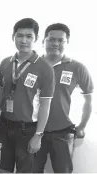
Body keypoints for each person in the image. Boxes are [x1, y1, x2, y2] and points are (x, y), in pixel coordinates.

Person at [0, 18, 55, 173]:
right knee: (3, 168)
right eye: (19, 35)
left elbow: (46, 105)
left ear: (36, 39)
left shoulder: (45, 68)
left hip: (28, 130)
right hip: (4, 126)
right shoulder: (5, 63)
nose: (23, 40)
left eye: (29, 36)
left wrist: (38, 136)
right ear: (13, 37)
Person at [33, 23, 94, 173]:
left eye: (61, 40)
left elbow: (88, 100)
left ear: (67, 42)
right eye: (51, 39)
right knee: (32, 170)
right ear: (43, 41)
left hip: (63, 132)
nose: (55, 43)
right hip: (34, 131)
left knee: (63, 171)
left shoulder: (77, 67)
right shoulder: (33, 65)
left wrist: (82, 126)